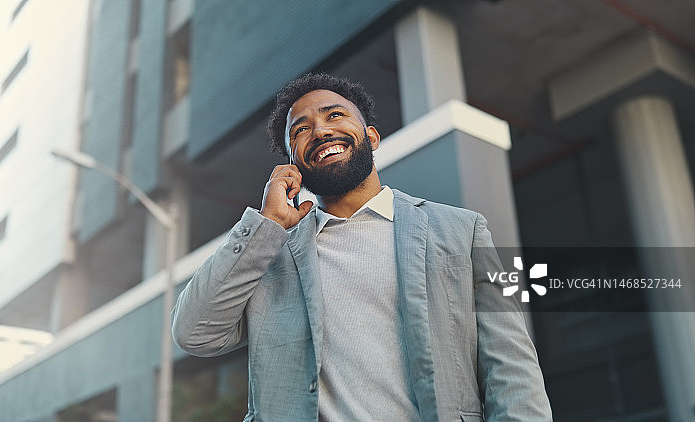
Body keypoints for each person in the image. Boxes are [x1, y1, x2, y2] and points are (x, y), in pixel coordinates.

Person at [172, 73, 552, 421]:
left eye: (334, 115)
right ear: (294, 164)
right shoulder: (269, 256)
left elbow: (511, 370)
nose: (320, 131)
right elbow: (194, 332)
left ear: (371, 137)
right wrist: (266, 224)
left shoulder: (461, 231)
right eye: (300, 130)